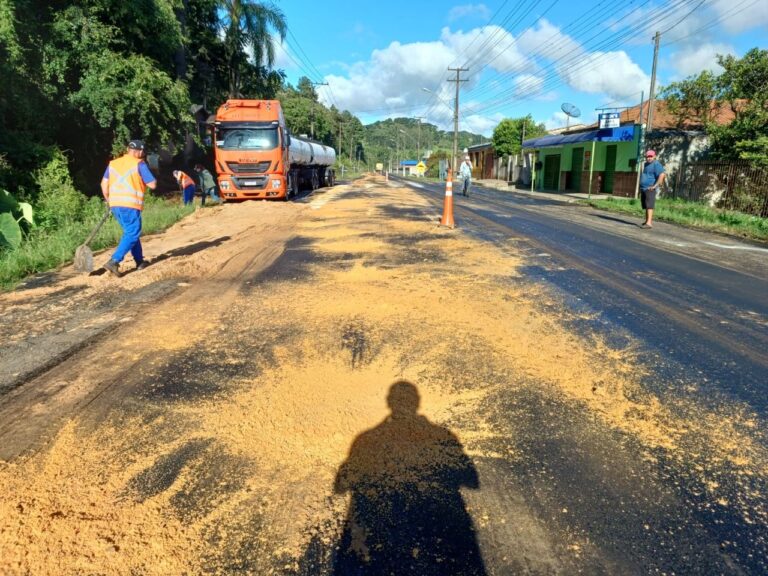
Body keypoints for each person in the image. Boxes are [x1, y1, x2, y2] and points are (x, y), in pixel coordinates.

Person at [101, 139, 156, 277]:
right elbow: (152, 184)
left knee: (131, 232)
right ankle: (114, 261)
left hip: (115, 205)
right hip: (130, 205)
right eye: (143, 152)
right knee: (132, 233)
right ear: (140, 151)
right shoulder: (139, 164)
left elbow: (103, 184)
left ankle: (139, 261)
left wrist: (110, 200)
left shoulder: (113, 164)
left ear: (128, 150)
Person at [639, 149, 665, 229]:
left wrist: (654, 186)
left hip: (650, 188)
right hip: (644, 188)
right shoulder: (646, 164)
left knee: (649, 205)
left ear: (654, 156)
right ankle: (647, 221)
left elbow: (662, 175)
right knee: (646, 205)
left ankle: (649, 223)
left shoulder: (656, 164)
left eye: (651, 156)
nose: (649, 158)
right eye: (648, 156)